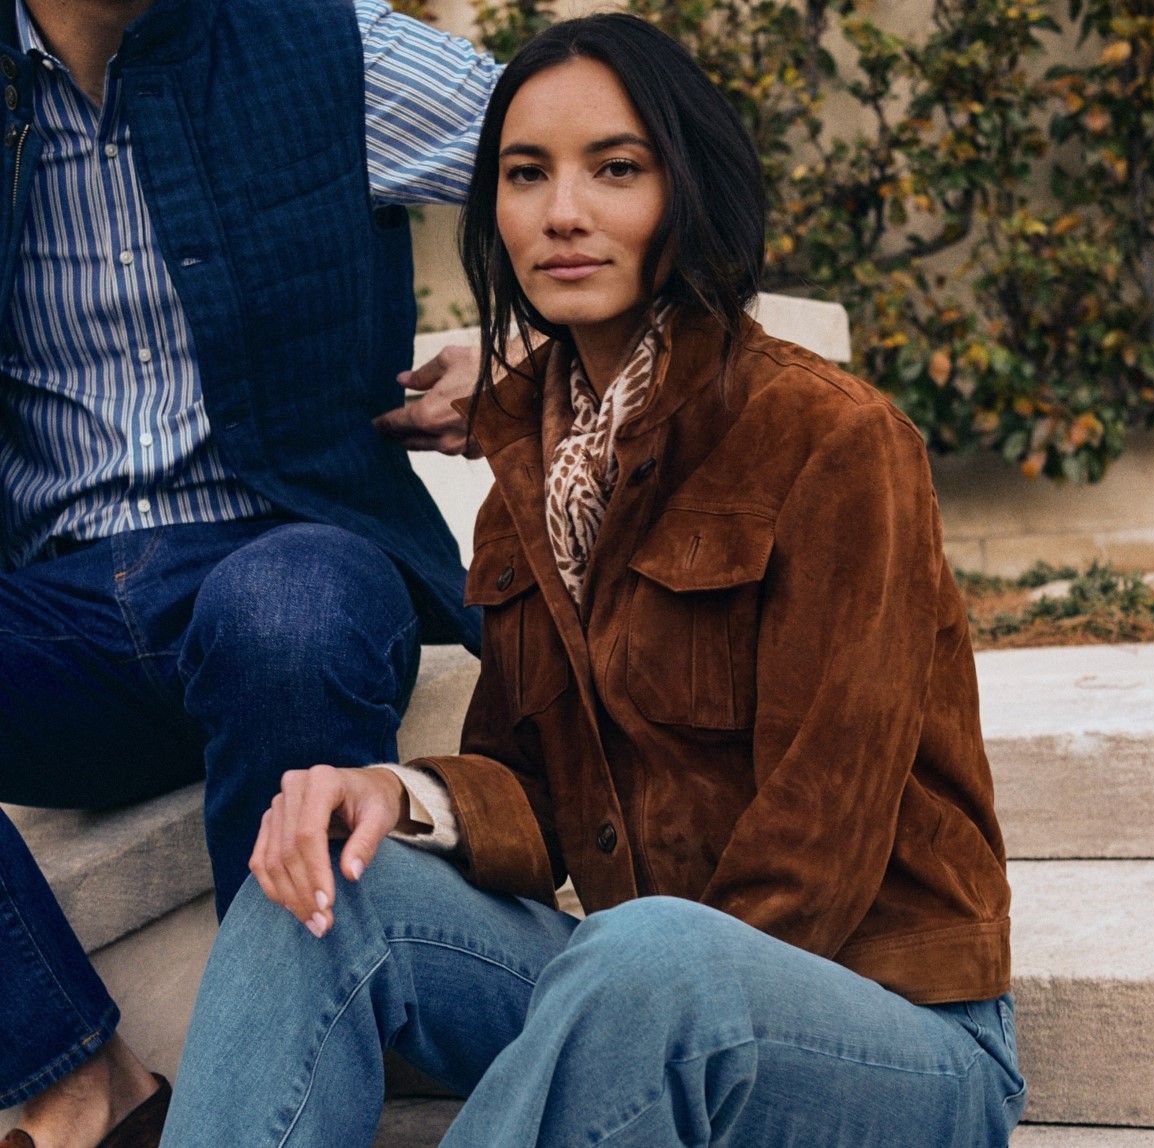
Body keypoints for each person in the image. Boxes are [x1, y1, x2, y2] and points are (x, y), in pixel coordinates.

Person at [160, 13, 1027, 1147]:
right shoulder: (535, 453)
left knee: (646, 955)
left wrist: (626, 981)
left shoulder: (831, 439)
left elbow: (819, 844)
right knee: (322, 879)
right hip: (647, 991)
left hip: (890, 1030)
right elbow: (525, 784)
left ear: (688, 192)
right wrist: (398, 796)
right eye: (526, 175)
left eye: (615, 169)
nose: (563, 213)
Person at [0, 0, 500, 1144]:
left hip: (291, 549)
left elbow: (643, 151)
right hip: (56, 610)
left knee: (281, 612)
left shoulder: (330, 41)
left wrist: (534, 353)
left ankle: (267, 1101)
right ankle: (78, 1080)